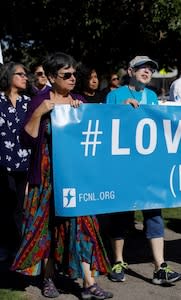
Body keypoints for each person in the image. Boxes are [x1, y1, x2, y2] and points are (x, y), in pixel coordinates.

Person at [11, 52, 113, 299]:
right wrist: (40, 113)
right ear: (51, 77)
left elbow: (104, 124)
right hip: (46, 177)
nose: (72, 78)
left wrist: (126, 109)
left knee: (83, 225)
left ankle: (89, 283)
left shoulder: (78, 100)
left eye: (74, 74)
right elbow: (26, 138)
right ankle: (47, 279)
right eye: (66, 74)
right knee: (47, 228)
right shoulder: (39, 101)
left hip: (75, 177)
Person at [105, 55, 181, 285]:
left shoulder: (152, 96)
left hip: (148, 167)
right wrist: (120, 109)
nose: (147, 71)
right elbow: (103, 123)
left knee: (154, 214)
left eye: (150, 69)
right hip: (123, 167)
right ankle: (118, 261)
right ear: (130, 71)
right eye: (142, 68)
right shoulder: (115, 94)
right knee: (121, 215)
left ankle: (160, 266)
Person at [0, 61, 31, 262]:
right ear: (9, 77)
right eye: (20, 74)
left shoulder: (28, 102)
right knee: (4, 205)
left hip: (24, 164)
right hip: (2, 163)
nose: (25, 77)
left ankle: (16, 248)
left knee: (19, 208)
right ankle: (3, 245)